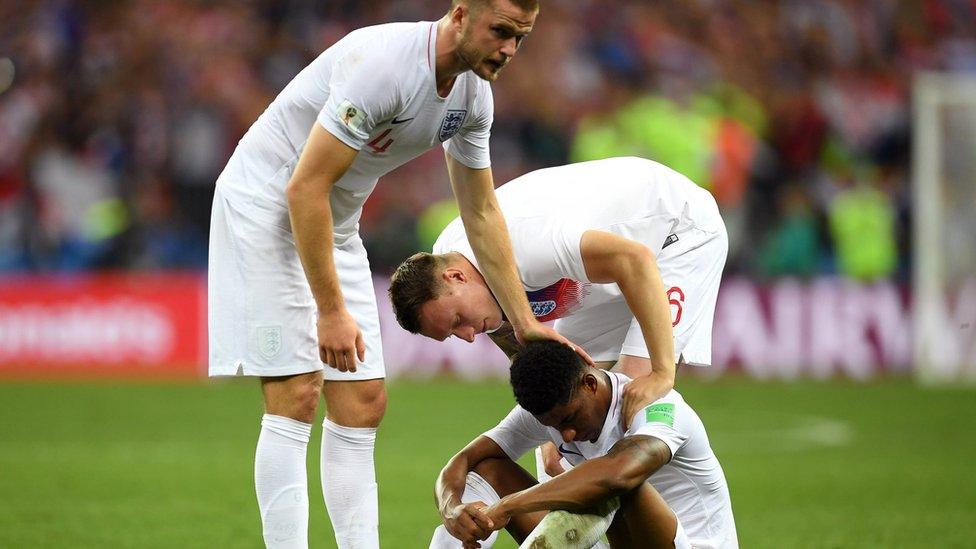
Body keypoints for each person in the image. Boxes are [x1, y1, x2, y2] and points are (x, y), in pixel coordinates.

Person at [207, 2, 585, 547]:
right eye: (501, 31)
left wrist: (524, 324)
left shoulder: (474, 97)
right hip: (265, 207)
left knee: (362, 402)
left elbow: (480, 213)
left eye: (520, 39)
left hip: (332, 221)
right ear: (460, 15)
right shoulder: (385, 67)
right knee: (296, 392)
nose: (509, 49)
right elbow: (303, 187)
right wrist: (332, 313)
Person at [389, 156, 729, 463]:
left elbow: (635, 260)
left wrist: (661, 373)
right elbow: (527, 354)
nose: (467, 335)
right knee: (556, 446)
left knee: (628, 397)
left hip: (675, 232)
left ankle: (676, 528)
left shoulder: (527, 248)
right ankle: (582, 531)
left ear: (457, 276)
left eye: (458, 321)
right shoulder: (457, 273)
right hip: (604, 273)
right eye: (452, 333)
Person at [429, 341, 738, 548]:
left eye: (569, 419)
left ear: (590, 384)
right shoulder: (551, 409)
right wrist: (452, 508)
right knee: (490, 467)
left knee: (620, 481)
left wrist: (507, 507)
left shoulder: (658, 406)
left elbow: (616, 476)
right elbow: (464, 461)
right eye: (553, 425)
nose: (567, 435)